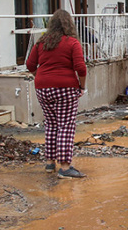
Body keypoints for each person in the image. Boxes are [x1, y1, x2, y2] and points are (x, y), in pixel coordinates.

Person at [26, 9, 87, 179]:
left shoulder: (41, 42)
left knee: (52, 124)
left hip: (42, 88)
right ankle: (65, 167)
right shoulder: (72, 42)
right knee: (65, 126)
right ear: (69, 24)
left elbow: (30, 65)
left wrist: (40, 77)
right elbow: (81, 68)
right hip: (65, 88)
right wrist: (82, 87)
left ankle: (50, 163)